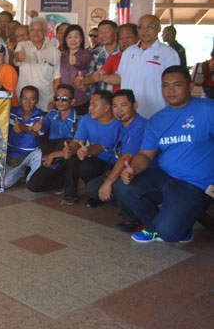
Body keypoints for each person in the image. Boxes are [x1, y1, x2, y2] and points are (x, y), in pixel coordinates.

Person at [115, 66, 214, 243]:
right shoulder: (157, 119)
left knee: (170, 233)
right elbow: (145, 155)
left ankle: (180, 224)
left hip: (197, 184)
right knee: (123, 186)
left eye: (177, 85)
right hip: (165, 177)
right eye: (165, 85)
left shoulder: (208, 109)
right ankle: (153, 228)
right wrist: (132, 170)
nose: (170, 90)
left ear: (190, 86)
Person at [85, 90, 146, 231]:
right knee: (92, 188)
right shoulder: (120, 125)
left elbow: (126, 157)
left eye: (123, 105)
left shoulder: (140, 126)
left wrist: (108, 182)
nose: (119, 110)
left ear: (135, 105)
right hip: (124, 171)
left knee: (116, 186)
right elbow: (101, 145)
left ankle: (135, 216)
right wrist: (86, 150)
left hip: (140, 173)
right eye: (115, 106)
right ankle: (129, 205)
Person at [61, 90, 122, 206]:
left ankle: (100, 193)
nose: (90, 108)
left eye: (94, 105)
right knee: (74, 160)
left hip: (116, 163)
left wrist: (87, 151)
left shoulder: (119, 123)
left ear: (106, 107)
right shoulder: (86, 119)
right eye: (90, 105)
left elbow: (99, 146)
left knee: (87, 165)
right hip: (97, 159)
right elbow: (77, 142)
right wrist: (70, 148)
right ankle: (75, 194)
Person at [116, 14, 180, 119]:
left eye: (150, 26)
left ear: (159, 28)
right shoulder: (128, 52)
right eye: (141, 27)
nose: (144, 30)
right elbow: (120, 77)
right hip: (129, 114)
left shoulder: (168, 53)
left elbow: (176, 84)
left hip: (156, 112)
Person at [26, 85, 79, 193]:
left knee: (72, 160)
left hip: (68, 157)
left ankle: (70, 193)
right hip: (53, 157)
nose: (59, 101)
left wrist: (53, 155)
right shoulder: (51, 115)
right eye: (56, 98)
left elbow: (77, 145)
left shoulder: (79, 119)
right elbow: (40, 129)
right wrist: (35, 128)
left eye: (64, 98)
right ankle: (62, 182)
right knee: (32, 185)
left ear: (72, 101)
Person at [14, 17, 61, 111]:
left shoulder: (55, 51)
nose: (35, 33)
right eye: (32, 30)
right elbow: (16, 58)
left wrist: (55, 99)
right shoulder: (22, 45)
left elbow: (57, 79)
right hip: (25, 103)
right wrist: (18, 57)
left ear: (45, 32)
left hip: (46, 102)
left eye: (39, 30)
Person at [78, 24, 138, 95]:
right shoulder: (114, 58)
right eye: (121, 38)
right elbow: (100, 75)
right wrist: (83, 81)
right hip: (113, 101)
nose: (124, 40)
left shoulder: (146, 57)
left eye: (128, 37)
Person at [4, 86, 44, 189]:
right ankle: (21, 171)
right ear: (20, 99)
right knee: (4, 183)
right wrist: (3, 94)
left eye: (32, 99)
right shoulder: (12, 112)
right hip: (13, 157)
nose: (28, 102)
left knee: (39, 155)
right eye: (25, 98)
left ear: (37, 100)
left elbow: (39, 133)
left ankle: (29, 177)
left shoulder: (40, 116)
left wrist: (26, 128)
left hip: (30, 155)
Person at [59, 24, 92, 115]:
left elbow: (84, 63)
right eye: (69, 37)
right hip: (64, 100)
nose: (73, 40)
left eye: (76, 37)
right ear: (65, 40)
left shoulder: (86, 53)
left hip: (80, 100)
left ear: (81, 39)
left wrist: (76, 61)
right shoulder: (62, 55)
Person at [87, 20, 119, 93]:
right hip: (98, 99)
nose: (103, 35)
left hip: (118, 100)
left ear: (115, 33)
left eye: (106, 32)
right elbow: (89, 76)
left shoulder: (123, 53)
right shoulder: (94, 54)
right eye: (100, 32)